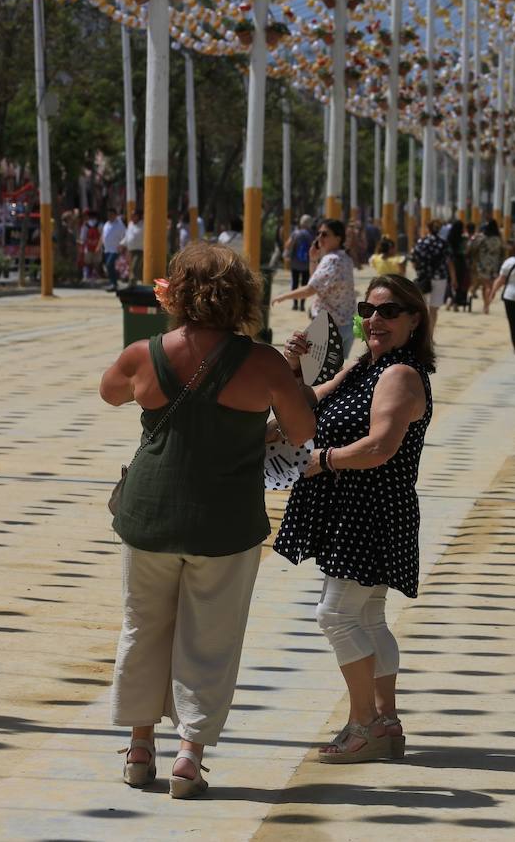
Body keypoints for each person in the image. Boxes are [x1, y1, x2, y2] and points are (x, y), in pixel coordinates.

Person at [103, 242, 314, 798]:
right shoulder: (264, 362)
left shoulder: (143, 353)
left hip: (148, 515)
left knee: (143, 626)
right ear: (244, 295)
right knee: (210, 636)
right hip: (224, 521)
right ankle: (189, 757)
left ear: (176, 291)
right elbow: (299, 430)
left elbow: (111, 394)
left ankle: (140, 745)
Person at [273, 274, 435, 764]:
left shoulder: (401, 376)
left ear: (413, 320)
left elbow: (380, 447)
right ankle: (386, 719)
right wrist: (294, 368)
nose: (374, 319)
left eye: (388, 311)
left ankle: (362, 724)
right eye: (368, 309)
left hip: (373, 510)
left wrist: (321, 461)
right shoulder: (366, 365)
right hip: (359, 509)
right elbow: (308, 405)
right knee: (366, 615)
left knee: (335, 615)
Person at [271, 219, 358, 358]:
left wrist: (282, 297)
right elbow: (316, 282)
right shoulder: (345, 257)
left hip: (330, 327)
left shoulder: (332, 259)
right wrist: (313, 259)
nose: (319, 238)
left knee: (313, 371)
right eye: (318, 233)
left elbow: (309, 290)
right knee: (335, 372)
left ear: (338, 238)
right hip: (346, 325)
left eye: (325, 234)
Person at [409, 220, 453, 331]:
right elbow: (449, 262)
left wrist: (419, 270)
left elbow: (414, 260)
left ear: (428, 229)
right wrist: (454, 278)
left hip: (423, 278)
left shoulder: (421, 242)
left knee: (422, 307)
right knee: (433, 309)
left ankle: (421, 334)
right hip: (440, 278)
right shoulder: (444, 243)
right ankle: (430, 335)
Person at [471, 220, 505, 314]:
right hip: (495, 265)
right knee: (490, 286)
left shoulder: (482, 238)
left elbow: (474, 248)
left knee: (485, 286)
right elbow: (503, 252)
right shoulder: (499, 239)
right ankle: (487, 304)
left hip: (483, 264)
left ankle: (486, 305)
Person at [286, 215, 315, 311]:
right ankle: (302, 305)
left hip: (295, 262)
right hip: (306, 264)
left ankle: (295, 304)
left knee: (294, 283)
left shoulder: (295, 233)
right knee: (304, 284)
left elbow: (288, 245)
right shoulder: (311, 235)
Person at [101, 208, 126, 291]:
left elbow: (125, 236)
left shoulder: (120, 225)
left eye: (111, 214)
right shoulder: (106, 224)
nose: (110, 216)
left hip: (115, 249)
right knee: (109, 267)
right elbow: (103, 236)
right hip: (107, 249)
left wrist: (122, 246)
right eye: (108, 215)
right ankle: (113, 283)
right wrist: (99, 246)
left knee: (109, 265)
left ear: (115, 215)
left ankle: (114, 283)